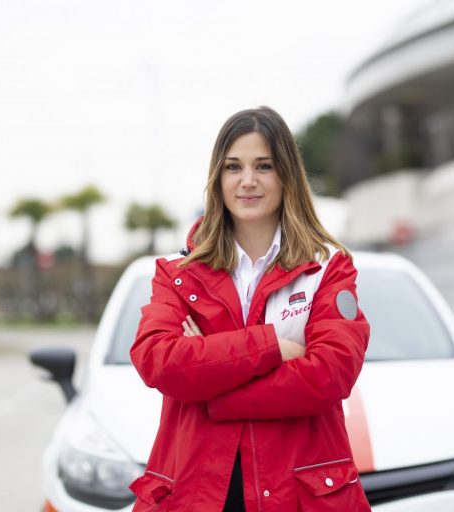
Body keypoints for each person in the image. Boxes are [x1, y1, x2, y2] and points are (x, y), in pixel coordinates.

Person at [129, 106, 371, 512]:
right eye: (233, 167)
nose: (247, 181)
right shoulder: (177, 274)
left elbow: (331, 372)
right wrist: (273, 344)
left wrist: (212, 388)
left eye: (263, 166)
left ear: (286, 176)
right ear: (217, 179)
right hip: (198, 493)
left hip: (299, 496)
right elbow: (159, 361)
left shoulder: (328, 267)